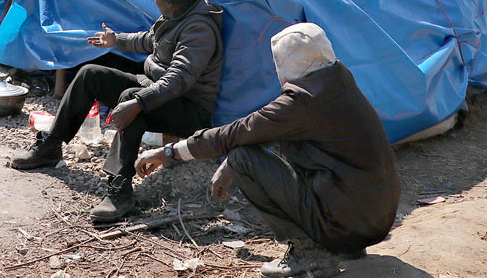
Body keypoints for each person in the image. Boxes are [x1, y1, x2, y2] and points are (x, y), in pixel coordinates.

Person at [135, 23, 401, 278]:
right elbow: (265, 129)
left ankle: (309, 253)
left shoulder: (301, 102)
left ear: (286, 61)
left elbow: (238, 131)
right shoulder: (339, 80)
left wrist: (170, 152)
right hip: (377, 219)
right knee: (260, 150)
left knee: (242, 158)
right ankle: (347, 247)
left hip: (348, 224)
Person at [11, 0, 224, 222]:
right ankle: (51, 147)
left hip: (188, 108)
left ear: (171, 1)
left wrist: (138, 102)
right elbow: (153, 40)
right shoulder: (178, 16)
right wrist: (117, 40)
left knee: (130, 100)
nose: (153, 0)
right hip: (156, 87)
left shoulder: (198, 30)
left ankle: (120, 188)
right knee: (91, 74)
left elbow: (180, 79)